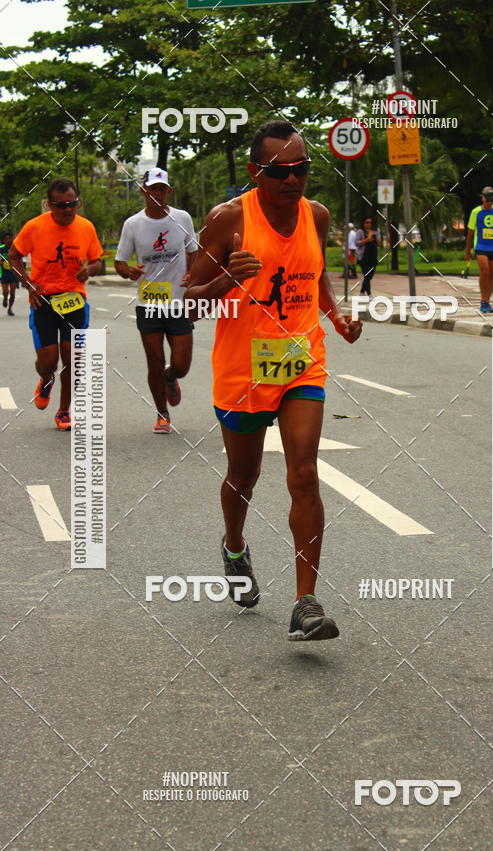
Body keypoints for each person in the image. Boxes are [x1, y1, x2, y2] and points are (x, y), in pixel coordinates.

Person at [185, 119, 362, 642]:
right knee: (244, 475)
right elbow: (189, 299)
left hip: (300, 359)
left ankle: (305, 603)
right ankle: (234, 545)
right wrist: (228, 278)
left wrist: (337, 317)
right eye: (280, 171)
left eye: (301, 168)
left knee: (303, 473)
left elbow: (315, 272)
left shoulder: (317, 215)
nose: (292, 179)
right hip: (242, 369)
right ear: (254, 170)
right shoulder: (228, 219)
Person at [8, 179, 103, 430]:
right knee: (48, 362)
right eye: (61, 205)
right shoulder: (34, 227)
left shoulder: (86, 227)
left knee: (73, 358)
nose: (68, 209)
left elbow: (97, 261)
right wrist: (29, 285)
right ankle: (46, 379)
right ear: (50, 205)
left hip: (74, 300)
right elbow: (13, 256)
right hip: (44, 301)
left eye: (72, 204)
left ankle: (63, 411)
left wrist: (89, 269)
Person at [115, 168, 198, 434]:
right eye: (153, 189)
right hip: (148, 303)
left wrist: (191, 273)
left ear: (168, 191)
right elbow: (119, 262)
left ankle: (171, 377)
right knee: (154, 360)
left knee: (181, 365)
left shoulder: (182, 218)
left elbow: (193, 250)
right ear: (143, 191)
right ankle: (162, 414)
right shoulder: (133, 224)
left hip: (178, 302)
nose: (157, 194)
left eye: (162, 189)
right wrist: (129, 272)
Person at [465, 186, 493, 313]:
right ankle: (483, 300)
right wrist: (468, 250)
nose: (488, 201)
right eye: (487, 198)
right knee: (484, 271)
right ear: (483, 198)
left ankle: (487, 301)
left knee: (491, 275)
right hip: (481, 246)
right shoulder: (476, 212)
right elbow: (470, 232)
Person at [355, 215, 381, 297]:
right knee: (367, 275)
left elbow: (379, 243)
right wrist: (367, 239)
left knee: (370, 275)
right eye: (367, 222)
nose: (369, 224)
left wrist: (375, 236)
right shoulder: (360, 232)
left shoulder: (375, 231)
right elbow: (357, 243)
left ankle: (362, 292)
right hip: (363, 257)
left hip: (373, 256)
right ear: (363, 223)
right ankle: (369, 294)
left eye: (370, 222)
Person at [0, 233, 18, 316]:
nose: (8, 240)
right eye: (6, 239)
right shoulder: (1, 249)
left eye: (10, 238)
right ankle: (5, 297)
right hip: (4, 272)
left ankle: (10, 309)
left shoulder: (15, 248)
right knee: (5, 291)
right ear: (3, 240)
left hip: (13, 273)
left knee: (13, 293)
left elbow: (19, 259)